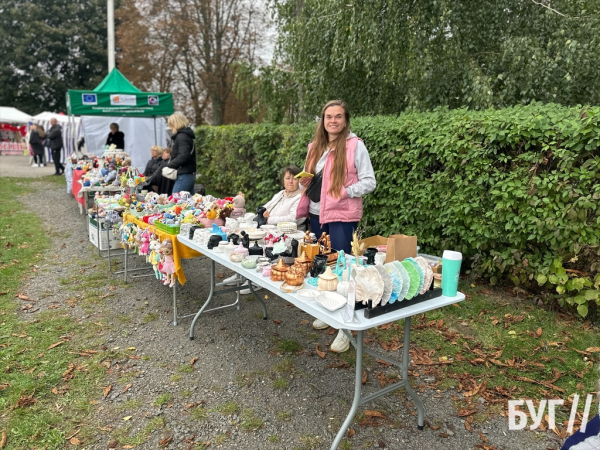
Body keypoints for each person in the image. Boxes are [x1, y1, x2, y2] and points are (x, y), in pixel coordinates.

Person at [297, 99, 376, 353]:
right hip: (316, 213)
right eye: (328, 116)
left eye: (338, 116)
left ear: (345, 120)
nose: (333, 121)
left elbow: (369, 181)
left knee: (343, 268)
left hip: (342, 215)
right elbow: (308, 176)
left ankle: (345, 327)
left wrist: (344, 191)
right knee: (321, 265)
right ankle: (327, 308)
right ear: (322, 120)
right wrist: (304, 182)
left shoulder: (355, 146)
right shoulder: (314, 147)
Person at [263, 165, 306, 231]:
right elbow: (266, 207)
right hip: (272, 230)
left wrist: (269, 219)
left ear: (299, 181)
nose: (290, 182)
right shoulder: (281, 193)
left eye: (294, 179)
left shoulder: (301, 197)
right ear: (283, 181)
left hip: (292, 235)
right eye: (288, 178)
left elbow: (293, 219)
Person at [166, 112, 196, 193]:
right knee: (189, 203)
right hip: (188, 174)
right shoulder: (186, 135)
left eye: (171, 125)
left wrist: (170, 164)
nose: (170, 128)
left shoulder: (182, 137)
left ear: (176, 124)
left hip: (184, 174)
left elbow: (184, 155)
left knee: (176, 201)